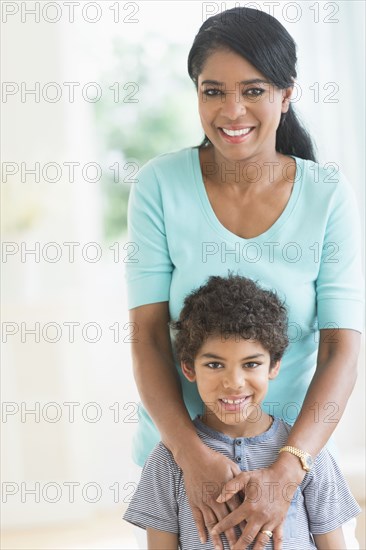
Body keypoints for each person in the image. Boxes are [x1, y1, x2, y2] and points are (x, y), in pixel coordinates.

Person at [125, 6, 363, 550]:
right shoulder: (160, 185)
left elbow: (340, 350)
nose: (231, 111)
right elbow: (147, 338)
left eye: (253, 90)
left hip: (294, 459)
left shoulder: (327, 195)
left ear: (286, 94)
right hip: (182, 451)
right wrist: (190, 456)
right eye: (212, 91)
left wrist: (289, 468)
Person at [124, 274, 361, 549]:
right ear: (188, 367)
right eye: (215, 365)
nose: (234, 382)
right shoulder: (166, 461)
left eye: (250, 364)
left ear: (274, 366)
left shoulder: (308, 458)